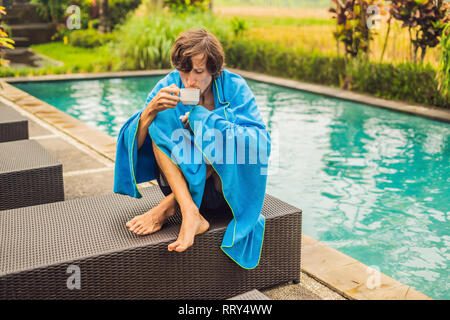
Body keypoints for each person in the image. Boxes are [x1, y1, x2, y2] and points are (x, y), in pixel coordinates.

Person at [114, 28, 271, 269]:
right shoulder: (169, 85)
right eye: (183, 71)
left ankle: (168, 206)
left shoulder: (234, 87)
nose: (189, 81)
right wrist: (149, 112)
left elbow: (260, 143)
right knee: (159, 119)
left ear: (214, 70)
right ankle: (190, 212)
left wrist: (203, 120)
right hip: (175, 182)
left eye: (198, 72)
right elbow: (134, 148)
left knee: (222, 136)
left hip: (224, 191)